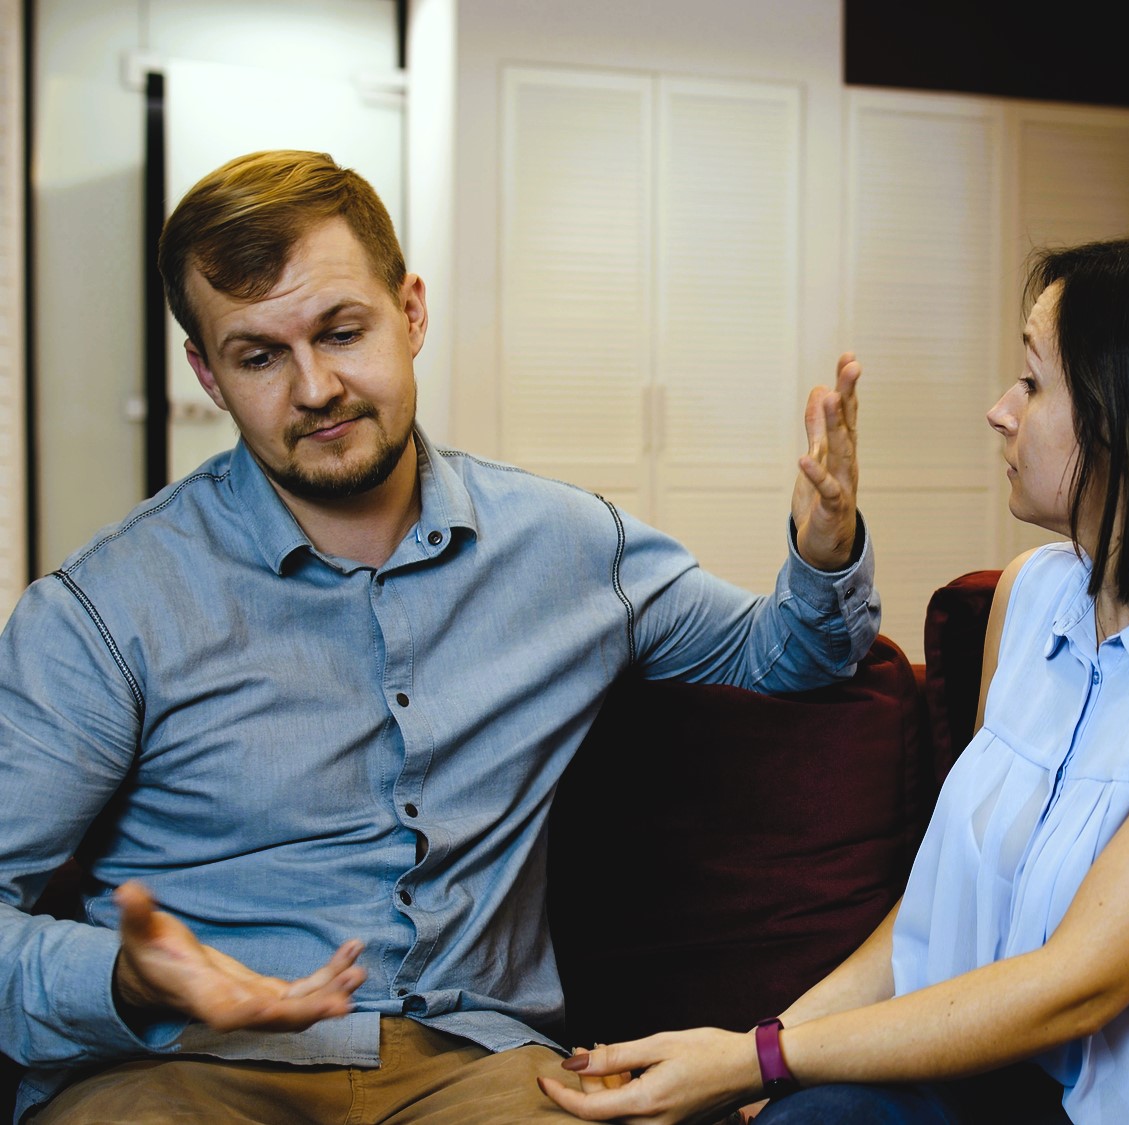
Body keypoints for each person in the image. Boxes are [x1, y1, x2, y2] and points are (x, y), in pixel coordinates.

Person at [0, 149, 880, 1123]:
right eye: (259, 355)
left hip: (476, 1066)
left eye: (343, 332)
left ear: (411, 311)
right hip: (185, 1069)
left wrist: (824, 546)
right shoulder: (107, 607)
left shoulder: (568, 548)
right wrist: (126, 981)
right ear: (207, 373)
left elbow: (793, 656)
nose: (316, 387)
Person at [543, 238, 1129, 1125]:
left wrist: (755, 1060)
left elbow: (1075, 985)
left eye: (1033, 382)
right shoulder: (1034, 592)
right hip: (985, 1090)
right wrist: (749, 1065)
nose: (999, 411)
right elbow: (935, 921)